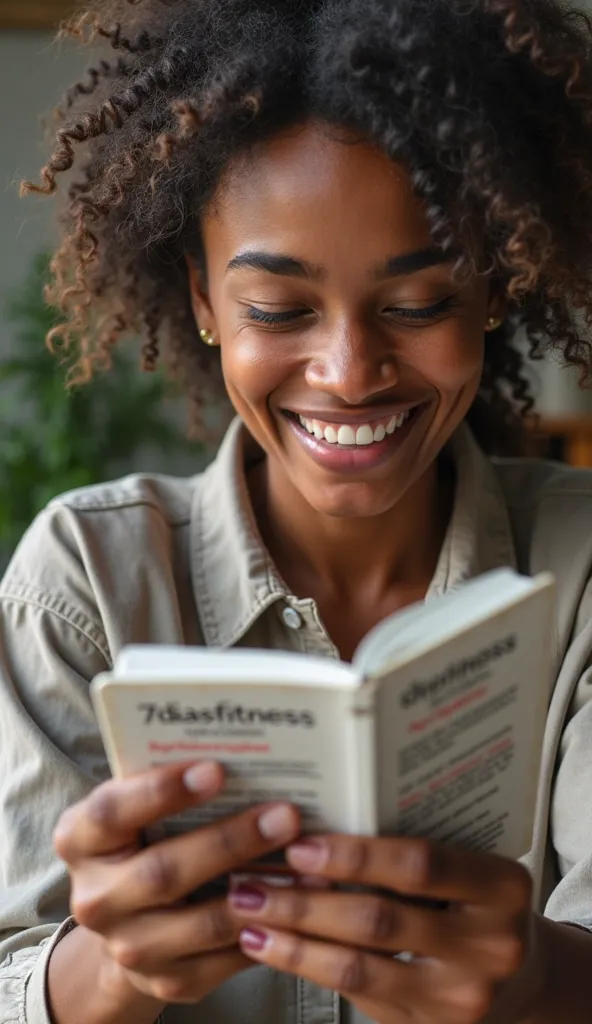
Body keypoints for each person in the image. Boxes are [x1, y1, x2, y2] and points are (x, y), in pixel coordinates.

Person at [3, 0, 592, 1021]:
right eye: (277, 310)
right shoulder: (83, 583)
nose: (349, 372)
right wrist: (113, 968)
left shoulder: (581, 566)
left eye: (419, 305)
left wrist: (540, 980)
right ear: (201, 299)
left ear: (493, 289)